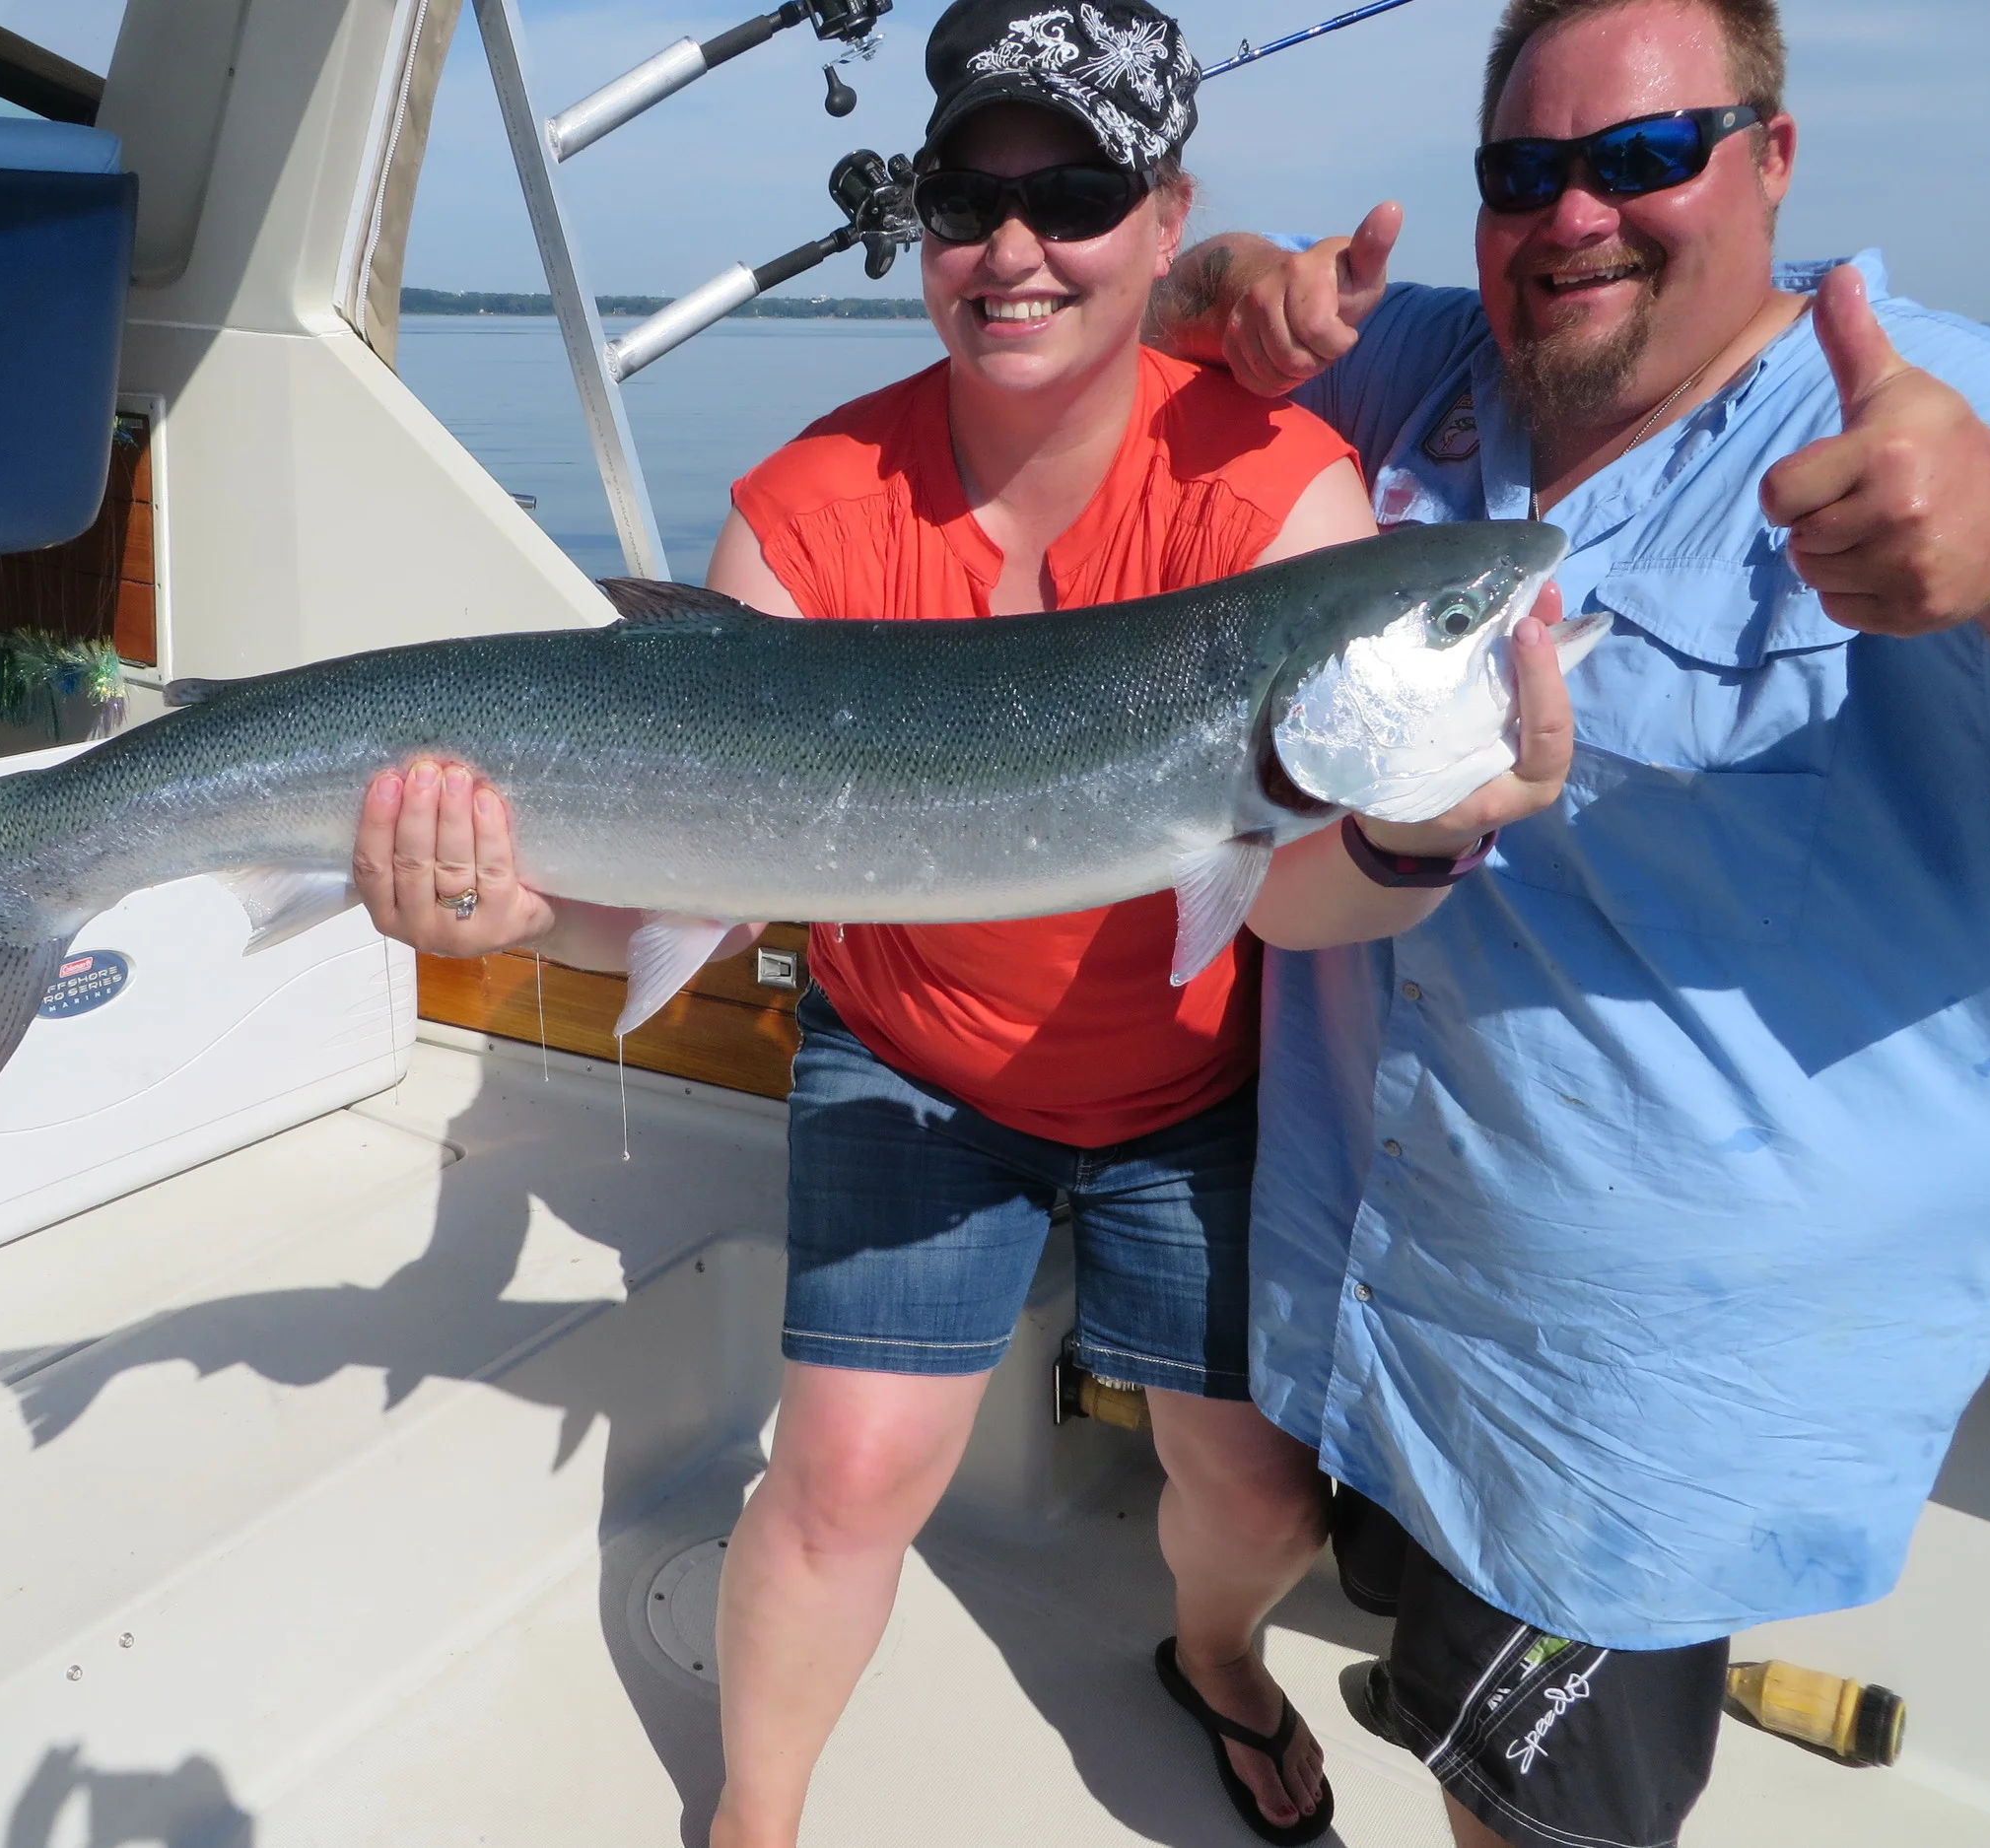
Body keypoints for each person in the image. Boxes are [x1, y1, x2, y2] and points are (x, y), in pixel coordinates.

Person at [353, 2, 1576, 1840]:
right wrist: (512, 909)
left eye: (1074, 195)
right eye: (966, 200)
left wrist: (1417, 839)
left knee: (1257, 1499)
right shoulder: (806, 506)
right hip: (909, 1061)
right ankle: (753, 1815)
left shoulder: (1279, 494)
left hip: (1182, 1085)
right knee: (844, 1477)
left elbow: (1295, 891)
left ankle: (1217, 1655)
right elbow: (695, 903)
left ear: (1166, 219)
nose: (1014, 249)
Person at [1148, 2, 1990, 1845]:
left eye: (1642, 157)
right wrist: (1243, 286)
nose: (1576, 216)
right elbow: (1164, 304)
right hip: (1358, 1284)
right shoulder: (1437, 365)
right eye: (1523, 172)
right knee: (1385, 1631)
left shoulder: (1945, 414)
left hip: (1616, 1392)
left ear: (1773, 159)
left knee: (1521, 1815)